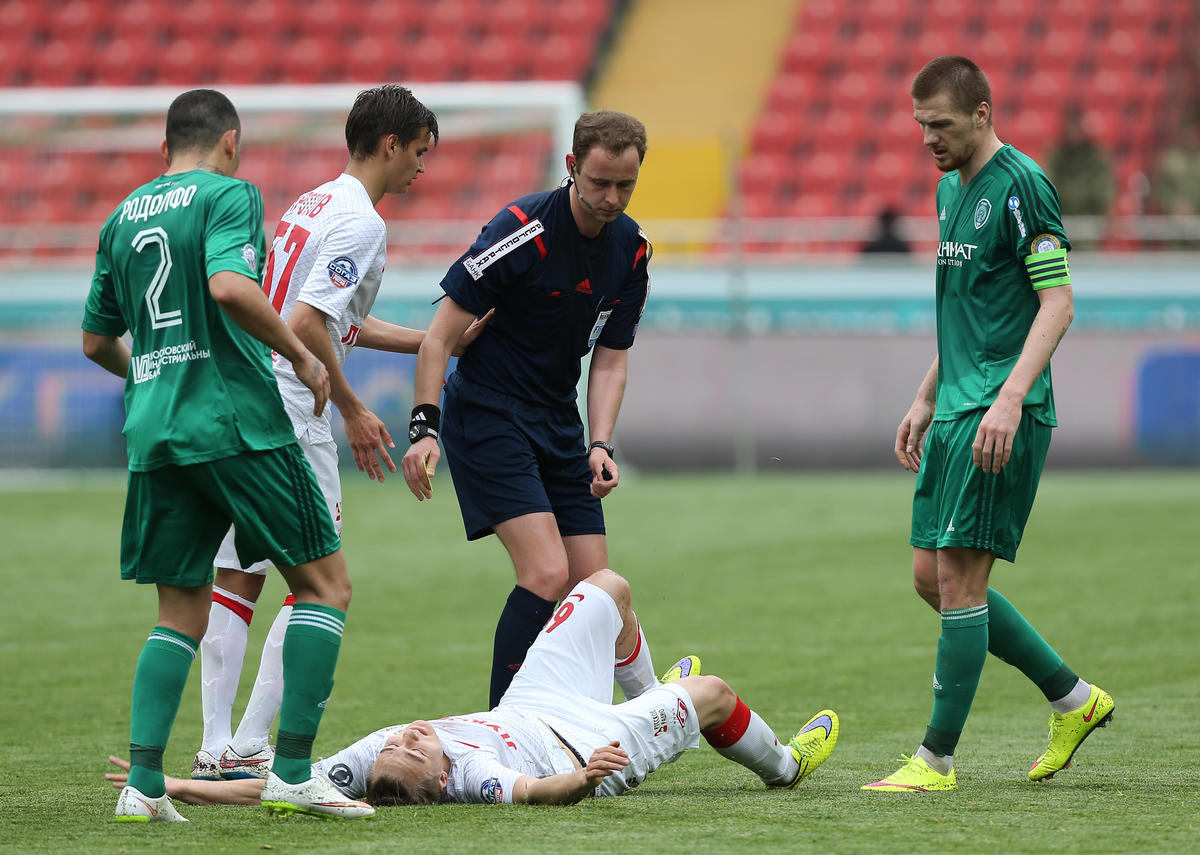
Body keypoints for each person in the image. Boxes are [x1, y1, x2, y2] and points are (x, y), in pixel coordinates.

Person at [82, 88, 373, 821]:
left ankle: (143, 784)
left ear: (163, 148)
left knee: (178, 607)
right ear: (231, 142)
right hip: (236, 421)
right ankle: (294, 770)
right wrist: (303, 360)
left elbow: (95, 341)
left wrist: (155, 374)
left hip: (155, 431)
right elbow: (230, 287)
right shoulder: (229, 195)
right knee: (326, 584)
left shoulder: (121, 217)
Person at [191, 85, 489, 784]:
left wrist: (431, 342)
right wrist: (353, 407)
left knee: (238, 573)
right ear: (393, 144)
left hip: (247, 398)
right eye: (419, 152)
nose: (422, 168)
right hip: (295, 408)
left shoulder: (312, 202)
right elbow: (305, 324)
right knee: (316, 581)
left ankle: (214, 742)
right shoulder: (362, 225)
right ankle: (252, 745)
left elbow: (328, 315)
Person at [864, 56, 1113, 794]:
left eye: (939, 126)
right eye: (920, 127)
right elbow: (968, 315)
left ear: (981, 113)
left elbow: (1057, 303)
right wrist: (923, 395)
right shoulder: (948, 190)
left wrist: (1009, 398)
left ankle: (935, 759)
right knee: (929, 580)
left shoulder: (1024, 186)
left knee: (961, 584)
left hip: (999, 414)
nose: (928, 140)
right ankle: (1074, 698)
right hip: (954, 407)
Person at [107, 570, 840, 806]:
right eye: (414, 747)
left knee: (607, 587)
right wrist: (582, 779)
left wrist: (169, 781)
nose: (406, 733)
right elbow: (537, 795)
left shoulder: (379, 760)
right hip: (583, 745)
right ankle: (785, 765)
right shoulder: (476, 775)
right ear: (438, 777)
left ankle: (640, 688)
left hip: (529, 701)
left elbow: (274, 787)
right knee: (711, 691)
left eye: (397, 740)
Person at [400, 111, 654, 708]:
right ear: (571, 168)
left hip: (557, 421)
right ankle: (500, 728)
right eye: (599, 184)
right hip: (487, 413)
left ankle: (645, 714)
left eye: (626, 186)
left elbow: (612, 358)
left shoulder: (632, 250)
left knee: (597, 588)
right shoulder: (521, 228)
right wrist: (424, 428)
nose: (612, 198)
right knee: (544, 573)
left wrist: (601, 443)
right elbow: (439, 336)